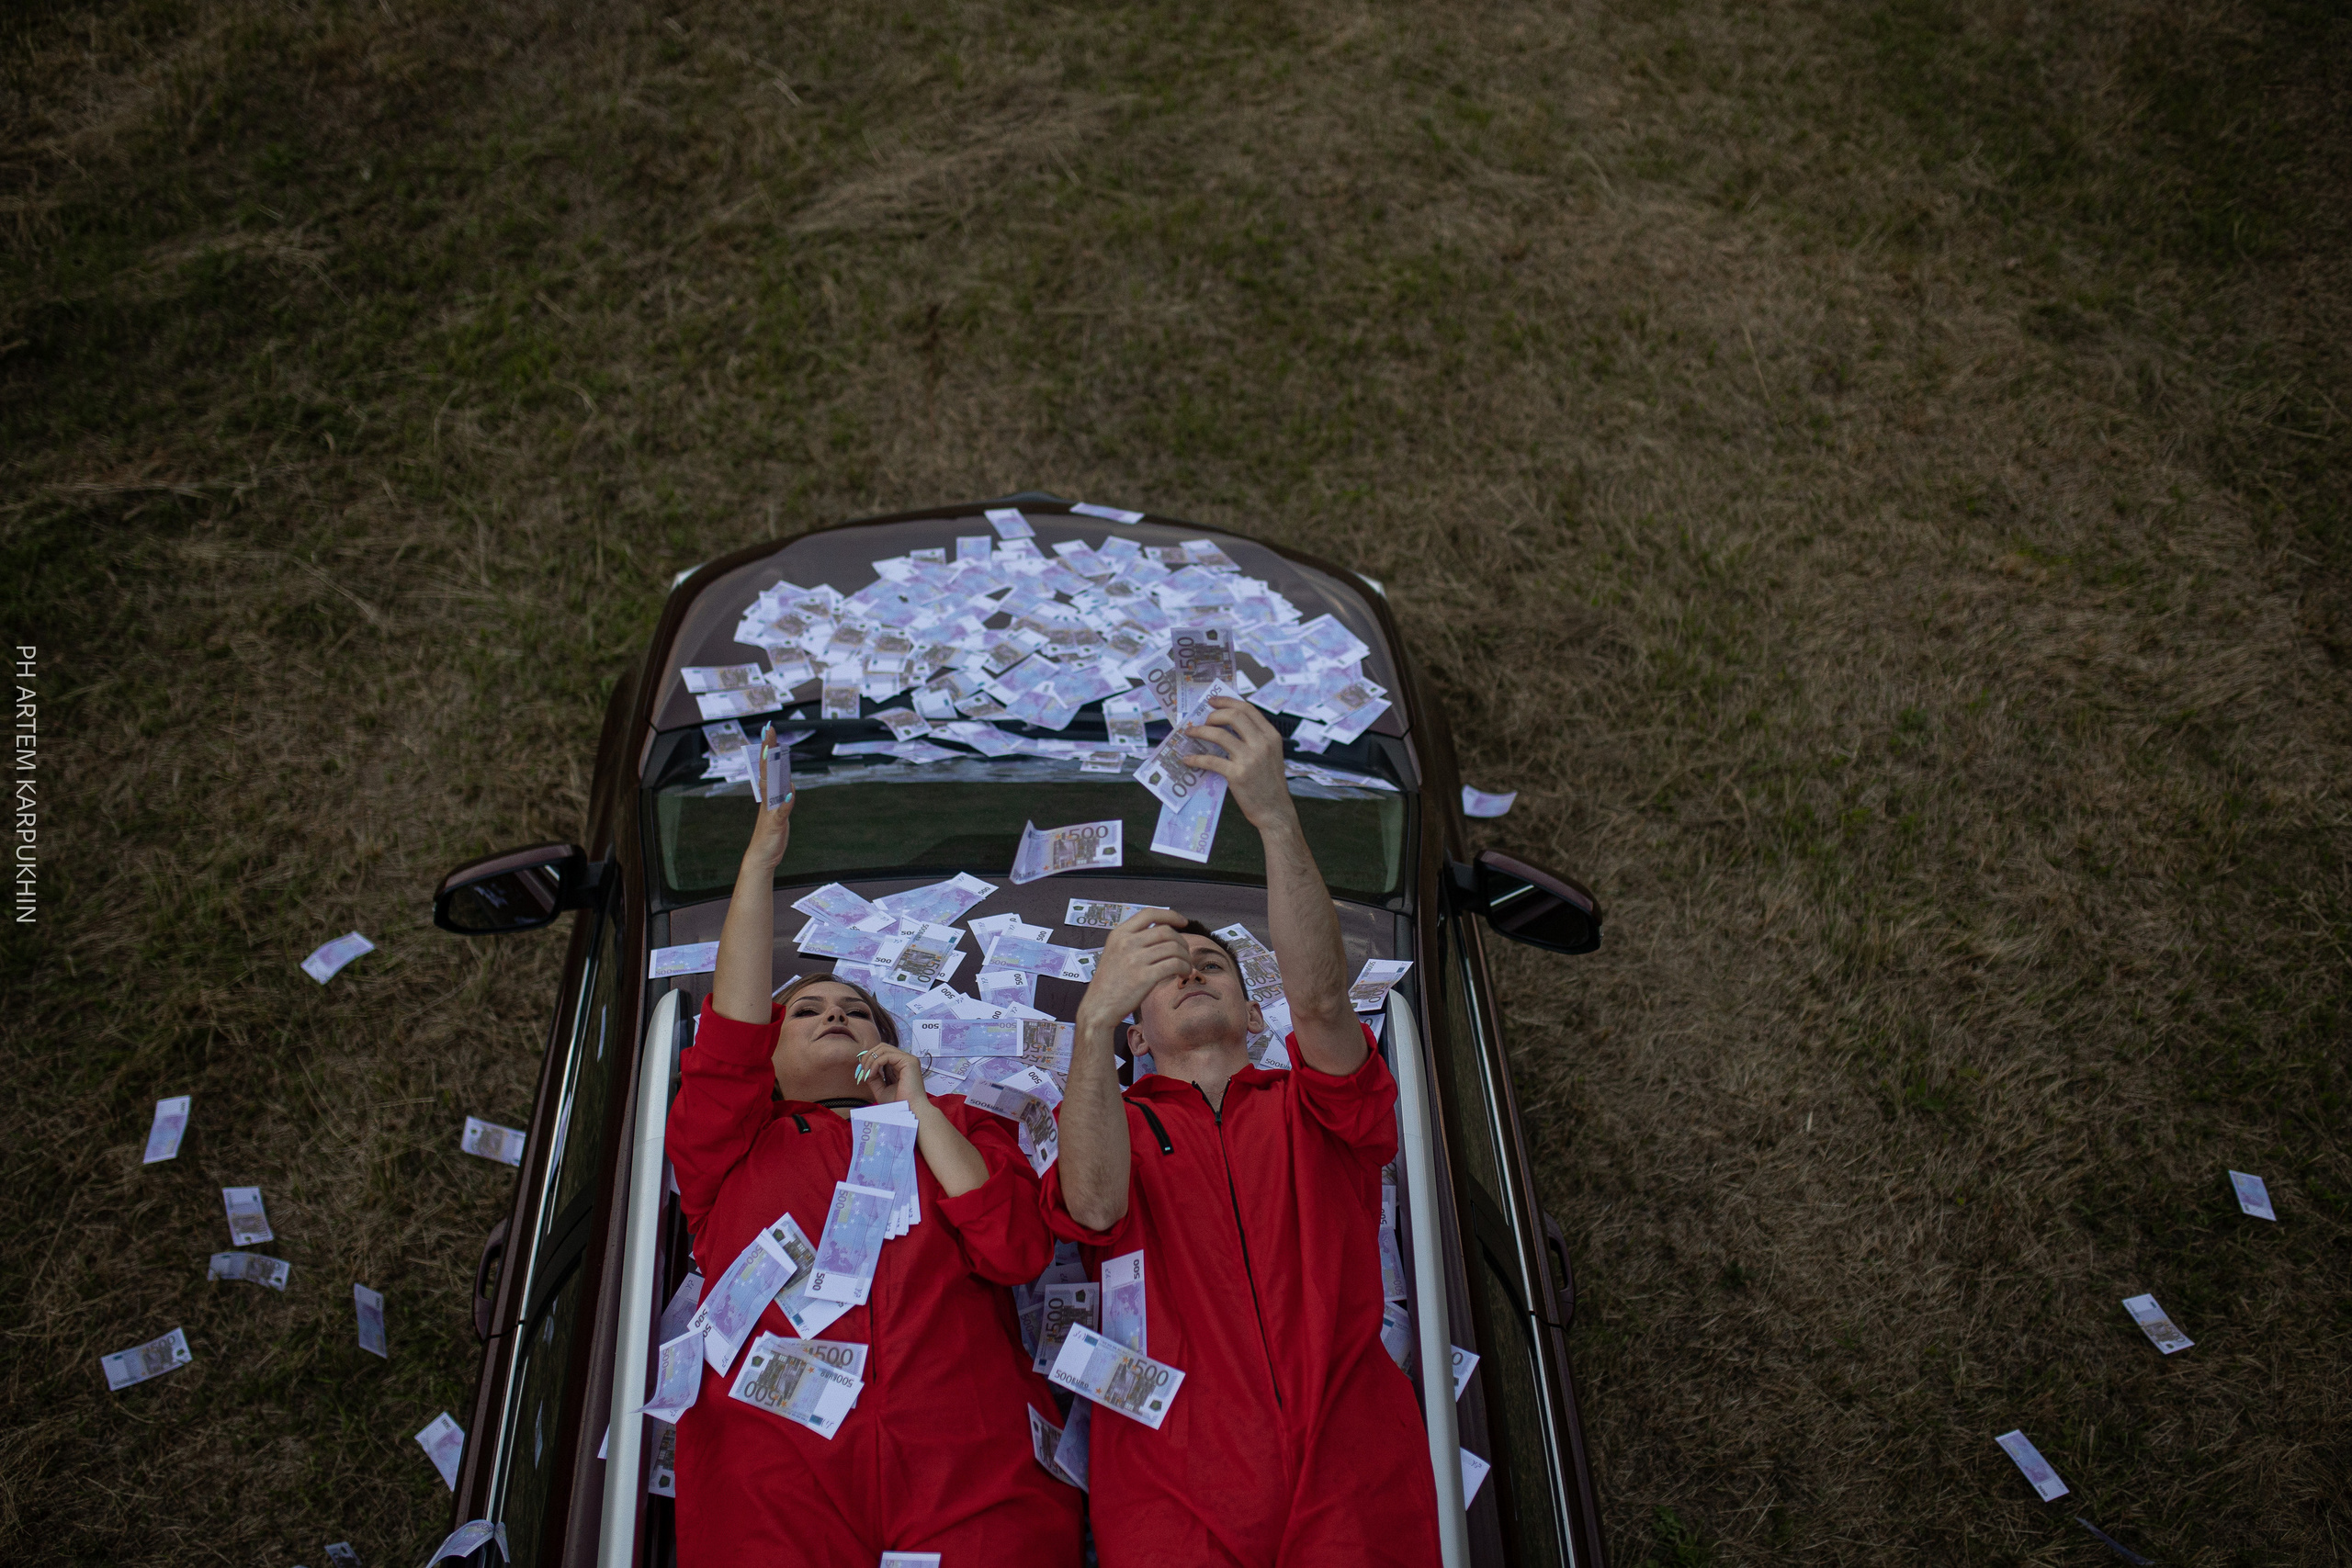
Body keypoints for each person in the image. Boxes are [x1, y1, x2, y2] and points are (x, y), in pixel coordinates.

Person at [1045, 696, 1442, 1568]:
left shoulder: (1317, 1103)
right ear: (1134, 1032)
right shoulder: (1112, 1121)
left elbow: (1326, 1001)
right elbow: (1095, 1203)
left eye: (1211, 963)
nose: (1190, 969)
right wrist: (1089, 1026)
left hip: (1351, 1469)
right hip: (1172, 1484)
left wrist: (1273, 816)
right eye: (1163, 973)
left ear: (1255, 1009)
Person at [666, 747, 1084, 1567]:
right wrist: (759, 862)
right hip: (775, 1468)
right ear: (767, 1059)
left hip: (968, 1463)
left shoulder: (953, 1123)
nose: (834, 1013)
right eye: (807, 1010)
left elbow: (1016, 1248)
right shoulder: (730, 1143)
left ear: (887, 1048)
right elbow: (730, 1029)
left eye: (858, 1011)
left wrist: (919, 1111)